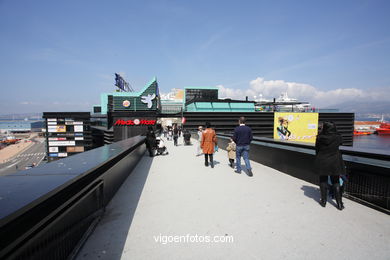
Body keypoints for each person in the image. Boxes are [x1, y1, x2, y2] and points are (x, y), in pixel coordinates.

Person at [315, 121, 346, 210]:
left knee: (323, 180)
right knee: (335, 181)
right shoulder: (338, 137)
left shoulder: (319, 137)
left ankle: (323, 201)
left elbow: (317, 149)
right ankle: (339, 203)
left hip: (323, 160)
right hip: (335, 161)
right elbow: (340, 144)